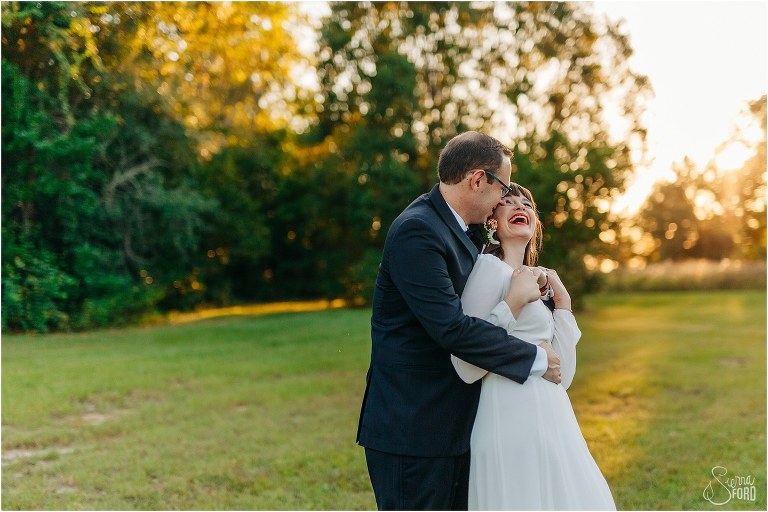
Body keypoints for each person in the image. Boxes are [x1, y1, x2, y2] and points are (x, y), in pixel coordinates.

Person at [356, 131, 562, 511]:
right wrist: (535, 359)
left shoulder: (462, 230)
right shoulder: (417, 231)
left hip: (458, 425)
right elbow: (451, 328)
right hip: (414, 428)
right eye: (502, 187)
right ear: (478, 179)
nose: (504, 199)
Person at [452, 182, 616, 510]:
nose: (520, 208)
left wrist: (564, 305)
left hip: (555, 419)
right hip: (509, 417)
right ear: (491, 222)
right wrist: (512, 304)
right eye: (508, 202)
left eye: (527, 205)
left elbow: (562, 375)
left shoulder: (536, 283)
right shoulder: (487, 269)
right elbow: (465, 364)